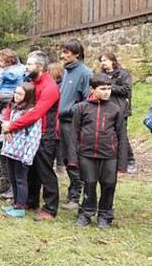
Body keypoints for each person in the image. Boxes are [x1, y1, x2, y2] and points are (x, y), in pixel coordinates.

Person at [1, 51, 61, 221]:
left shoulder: (50, 88)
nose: (26, 67)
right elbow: (14, 102)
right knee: (30, 170)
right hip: (27, 134)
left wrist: (11, 126)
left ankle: (50, 208)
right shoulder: (30, 82)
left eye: (29, 64)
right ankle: (30, 200)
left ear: (40, 66)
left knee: (45, 171)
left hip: (45, 134)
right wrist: (7, 122)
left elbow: (36, 113)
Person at [67, 74, 128, 229]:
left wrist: (122, 162)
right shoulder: (82, 108)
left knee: (109, 185)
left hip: (109, 155)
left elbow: (122, 136)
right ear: (92, 89)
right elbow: (73, 134)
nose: (107, 92)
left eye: (109, 89)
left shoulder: (115, 109)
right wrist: (72, 158)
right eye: (103, 89)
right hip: (87, 154)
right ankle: (86, 213)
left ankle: (105, 215)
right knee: (89, 184)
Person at [57, 38, 92, 211]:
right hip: (61, 121)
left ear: (76, 54)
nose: (62, 55)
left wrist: (69, 109)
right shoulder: (67, 71)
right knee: (65, 157)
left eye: (66, 52)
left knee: (73, 159)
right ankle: (73, 192)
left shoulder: (85, 73)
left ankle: (76, 196)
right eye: (62, 51)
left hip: (73, 123)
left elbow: (88, 101)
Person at [0, 82, 41, 218]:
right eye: (15, 93)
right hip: (10, 150)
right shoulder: (14, 108)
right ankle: (15, 203)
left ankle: (20, 207)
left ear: (27, 96)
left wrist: (28, 155)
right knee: (12, 177)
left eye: (20, 94)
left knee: (20, 179)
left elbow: (35, 136)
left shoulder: (31, 113)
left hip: (22, 152)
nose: (16, 96)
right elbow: (6, 124)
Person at [98, 51, 136, 174]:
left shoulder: (123, 74)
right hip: (105, 108)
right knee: (108, 134)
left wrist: (109, 86)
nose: (103, 63)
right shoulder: (100, 75)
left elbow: (126, 90)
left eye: (105, 60)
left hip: (120, 109)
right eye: (101, 61)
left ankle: (130, 161)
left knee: (122, 135)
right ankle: (114, 160)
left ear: (112, 60)